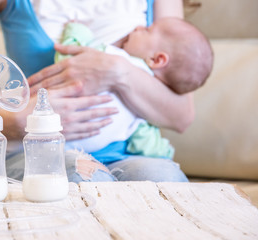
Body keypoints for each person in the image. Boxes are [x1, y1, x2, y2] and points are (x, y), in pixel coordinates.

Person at [0, 0, 197, 183]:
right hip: (35, 150)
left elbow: (182, 115)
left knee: (164, 178)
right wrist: (13, 123)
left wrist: (117, 71)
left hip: (128, 153)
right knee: (78, 176)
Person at [53, 18, 213, 165]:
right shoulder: (143, 109)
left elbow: (69, 58)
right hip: (88, 152)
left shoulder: (112, 55)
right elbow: (146, 144)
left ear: (157, 59)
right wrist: (166, 152)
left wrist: (76, 29)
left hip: (55, 143)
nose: (138, 27)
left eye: (147, 30)